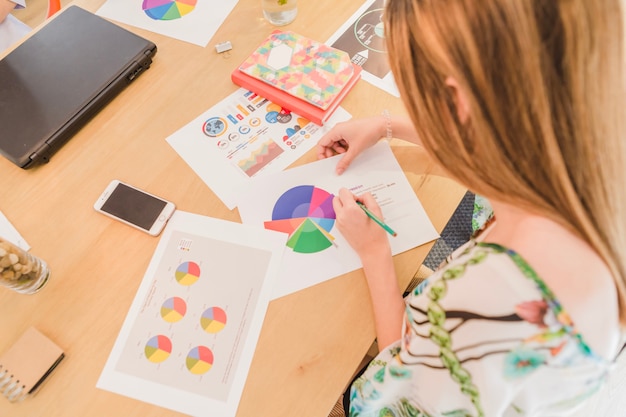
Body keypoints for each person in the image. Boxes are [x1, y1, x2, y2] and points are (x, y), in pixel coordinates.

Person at [317, 0, 626, 416]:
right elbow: (503, 149)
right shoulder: (597, 152)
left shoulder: (483, 299)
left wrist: (374, 253)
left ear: (456, 99)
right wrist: (387, 125)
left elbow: (392, 395)